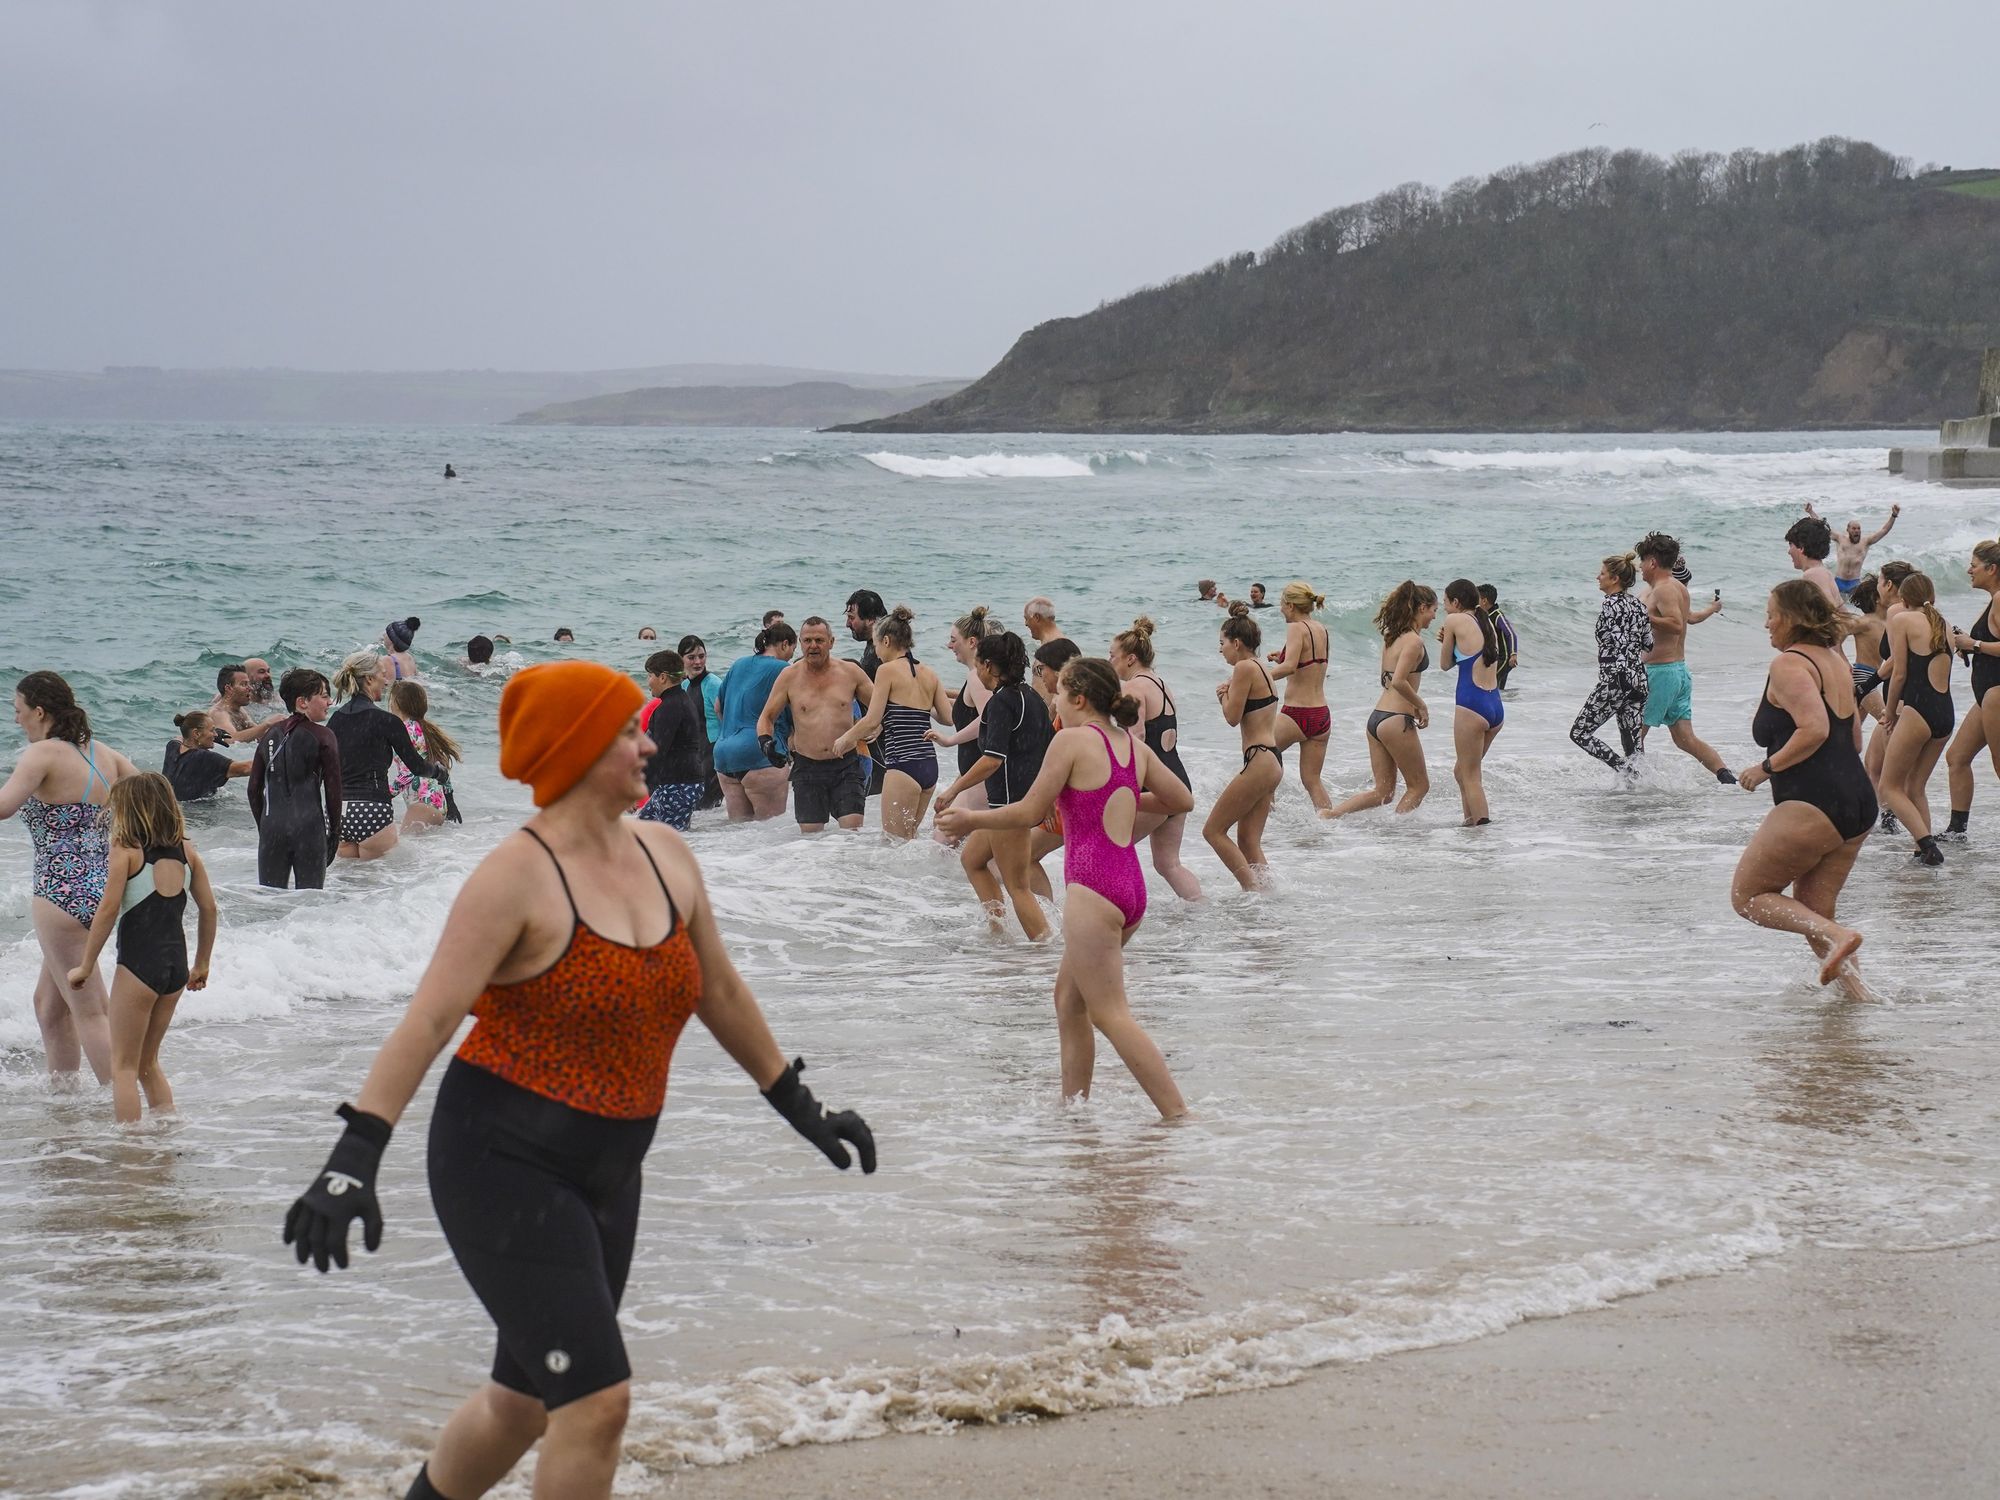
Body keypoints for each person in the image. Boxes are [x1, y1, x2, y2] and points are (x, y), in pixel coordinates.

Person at [280, 661, 874, 1500]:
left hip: (609, 1169)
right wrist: (354, 1155)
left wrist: (803, 1108)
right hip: (501, 1159)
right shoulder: (514, 877)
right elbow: (427, 1021)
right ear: (577, 748)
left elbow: (721, 992)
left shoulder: (667, 854)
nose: (647, 740)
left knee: (523, 1405)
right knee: (597, 1405)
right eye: (626, 730)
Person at [938, 658, 1191, 1118]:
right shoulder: (1134, 748)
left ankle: (1178, 1115)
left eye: (1057, 693)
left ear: (1078, 699)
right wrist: (1122, 797)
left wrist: (969, 817)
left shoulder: (1071, 740)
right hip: (1130, 887)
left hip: (1093, 889)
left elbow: (1029, 811)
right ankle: (1073, 1110)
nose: (1052, 699)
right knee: (1069, 1002)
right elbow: (1182, 800)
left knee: (1110, 1014)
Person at [1732, 580, 1876, 997]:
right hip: (1857, 799)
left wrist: (1765, 768)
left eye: (1771, 614)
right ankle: (1861, 997)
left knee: (1749, 897)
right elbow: (1853, 738)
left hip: (1814, 801)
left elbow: (1815, 728)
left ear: (1792, 619)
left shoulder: (1790, 665)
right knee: (1813, 909)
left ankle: (1839, 935)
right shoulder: (1834, 660)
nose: (1766, 624)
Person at [2, 672, 139, 1083]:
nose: (16, 721)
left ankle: (127, 1104)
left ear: (39, 711)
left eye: (18, 711)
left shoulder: (41, 753)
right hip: (101, 890)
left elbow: (4, 806)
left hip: (58, 893)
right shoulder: (105, 755)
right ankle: (66, 1102)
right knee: (48, 1004)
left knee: (91, 1011)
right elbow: (155, 795)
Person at [67, 773, 216, 1123]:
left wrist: (86, 965)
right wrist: (202, 963)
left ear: (130, 810)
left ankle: (131, 1151)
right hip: (175, 969)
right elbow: (209, 909)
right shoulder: (187, 852)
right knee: (148, 1064)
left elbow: (107, 909)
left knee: (123, 1067)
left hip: (138, 967)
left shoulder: (127, 851)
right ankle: (166, 1133)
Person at [935, 631, 1052, 938]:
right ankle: (997, 930)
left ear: (988, 665)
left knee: (1017, 886)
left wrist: (953, 790)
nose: (978, 674)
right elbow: (1049, 751)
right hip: (1024, 801)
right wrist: (1048, 798)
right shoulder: (1032, 697)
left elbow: (992, 759)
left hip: (1009, 806)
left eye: (979, 667)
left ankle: (1043, 950)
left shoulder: (1001, 703)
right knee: (972, 860)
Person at [834, 607, 952, 839]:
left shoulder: (886, 671)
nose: (876, 651)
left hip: (903, 765)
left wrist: (845, 738)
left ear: (886, 640)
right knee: (910, 839)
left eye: (876, 644)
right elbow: (948, 718)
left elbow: (872, 720)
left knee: (893, 842)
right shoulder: (930, 673)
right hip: (928, 765)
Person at [1109, 616, 1203, 900]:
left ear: (1131, 658)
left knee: (1113, 850)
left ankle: (1120, 912)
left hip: (1153, 785)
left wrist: (1122, 785)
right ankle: (1203, 911)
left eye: (1112, 656)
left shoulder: (1133, 688)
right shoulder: (1161, 684)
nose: (1109, 661)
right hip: (1177, 778)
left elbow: (1136, 740)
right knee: (1168, 864)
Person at [1325, 582, 1434, 819]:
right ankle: (1397, 835)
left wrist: (1411, 703)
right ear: (1423, 607)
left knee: (1383, 792)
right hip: (1395, 721)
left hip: (1377, 718)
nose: (1435, 617)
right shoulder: (1414, 641)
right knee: (1419, 786)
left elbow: (1386, 679)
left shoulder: (1391, 637)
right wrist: (1421, 704)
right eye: (1434, 610)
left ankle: (1330, 816)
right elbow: (1399, 681)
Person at [758, 619, 874, 833]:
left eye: (819, 640)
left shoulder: (850, 673)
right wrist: (765, 742)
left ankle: (851, 868)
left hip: (846, 765)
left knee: (852, 833)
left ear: (831, 642)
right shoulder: (788, 676)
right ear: (800, 643)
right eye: (808, 640)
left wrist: (873, 727)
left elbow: (879, 706)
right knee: (811, 841)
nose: (813, 645)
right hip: (807, 767)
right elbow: (767, 717)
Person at [1634, 532, 1732, 783]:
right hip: (1676, 672)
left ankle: (1631, 791)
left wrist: (1640, 617)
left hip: (1660, 673)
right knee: (1684, 739)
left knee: (1634, 734)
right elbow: (1686, 618)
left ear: (1653, 562)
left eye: (1642, 561)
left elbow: (1676, 624)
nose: (1640, 567)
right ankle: (1726, 778)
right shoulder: (1672, 588)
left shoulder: (1665, 589)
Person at [329, 651, 439, 861]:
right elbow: (417, 767)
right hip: (372, 809)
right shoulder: (385, 720)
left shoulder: (335, 719)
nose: (387, 681)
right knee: (381, 885)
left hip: (338, 811)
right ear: (369, 679)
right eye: (382, 674)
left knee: (350, 882)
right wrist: (438, 772)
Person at [1878, 571, 1955, 864]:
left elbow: (1898, 673)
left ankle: (1929, 847)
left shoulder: (1902, 620)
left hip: (1918, 710)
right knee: (1914, 787)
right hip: (1945, 713)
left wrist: (1889, 710)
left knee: (1890, 786)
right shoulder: (1943, 624)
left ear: (1903, 598)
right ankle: (1920, 850)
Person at [1204, 602, 1282, 888]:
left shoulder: (1244, 668)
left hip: (1260, 759)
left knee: (1213, 831)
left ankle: (1251, 891)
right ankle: (1269, 893)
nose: (1220, 649)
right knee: (1249, 841)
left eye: (1222, 643)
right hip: (1270, 758)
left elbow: (1232, 718)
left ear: (1237, 643)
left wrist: (1222, 696)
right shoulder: (1261, 666)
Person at [249, 668, 343, 890]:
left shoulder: (269, 735)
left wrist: (266, 827)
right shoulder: (324, 736)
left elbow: (253, 790)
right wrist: (335, 833)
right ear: (302, 702)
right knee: (310, 905)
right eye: (323, 695)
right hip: (309, 829)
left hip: (272, 828)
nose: (329, 702)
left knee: (270, 902)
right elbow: (334, 790)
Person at [1569, 553, 1652, 778]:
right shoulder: (1638, 605)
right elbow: (1649, 644)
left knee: (1579, 733)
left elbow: (1616, 641)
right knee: (1633, 747)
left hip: (1616, 679)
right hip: (1639, 680)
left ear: (1614, 579)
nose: (1598, 577)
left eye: (1602, 574)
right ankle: (1644, 791)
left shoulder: (1609, 606)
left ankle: (1626, 771)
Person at [1944, 538, 2000, 837]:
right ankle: (1957, 830)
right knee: (1957, 757)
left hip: (1997, 694)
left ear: (1991, 569)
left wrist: (1974, 644)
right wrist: (1970, 644)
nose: (1969, 570)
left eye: (1974, 565)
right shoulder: (1993, 599)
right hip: (1986, 695)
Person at [711, 625, 794, 822]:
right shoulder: (784, 669)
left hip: (724, 755)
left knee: (742, 835)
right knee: (771, 832)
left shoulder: (739, 664)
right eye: (793, 649)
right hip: (760, 754)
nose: (792, 655)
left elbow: (717, 707)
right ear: (784, 644)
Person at [927, 605, 995, 847]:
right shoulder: (979, 674)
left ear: (972, 642)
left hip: (982, 775)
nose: (949, 645)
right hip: (977, 773)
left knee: (942, 840)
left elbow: (988, 716)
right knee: (962, 843)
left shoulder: (976, 676)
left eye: (953, 640)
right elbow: (969, 713)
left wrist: (949, 740)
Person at [1439, 579, 1504, 825]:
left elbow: (1445, 665)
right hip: (1495, 706)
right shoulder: (1484, 620)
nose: (1443, 608)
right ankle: (1470, 825)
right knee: (1462, 772)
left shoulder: (1454, 620)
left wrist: (1446, 641)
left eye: (1445, 602)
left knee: (1471, 775)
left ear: (1456, 602)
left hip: (1471, 704)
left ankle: (1483, 832)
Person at [1267, 580, 1333, 814]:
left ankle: (1268, 821)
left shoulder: (1295, 628)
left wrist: (1258, 676)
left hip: (1297, 712)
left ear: (1291, 605)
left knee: (1261, 759)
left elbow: (1290, 668)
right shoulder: (1321, 628)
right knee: (1312, 781)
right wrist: (1282, 657)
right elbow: (1311, 662)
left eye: (1282, 604)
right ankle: (1330, 825)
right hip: (1321, 715)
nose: (1281, 609)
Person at [637, 650, 705, 831]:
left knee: (669, 841)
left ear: (663, 678)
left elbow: (656, 751)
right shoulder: (679, 700)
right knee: (642, 831)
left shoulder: (671, 706)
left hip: (679, 786)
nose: (648, 681)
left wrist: (637, 787)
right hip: (676, 783)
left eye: (650, 675)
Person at [388, 681, 463, 832]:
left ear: (397, 703)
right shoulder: (423, 728)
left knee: (401, 851)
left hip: (422, 805)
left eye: (391, 699)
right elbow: (440, 769)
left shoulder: (406, 730)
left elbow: (409, 771)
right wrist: (451, 802)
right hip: (435, 804)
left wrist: (385, 794)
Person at [1805, 501, 1900, 595]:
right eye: (1854, 529)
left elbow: (1884, 530)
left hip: (1854, 583)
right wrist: (1811, 512)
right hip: (1839, 581)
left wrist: (1893, 516)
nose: (1857, 531)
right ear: (1848, 530)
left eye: (1858, 529)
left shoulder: (1866, 542)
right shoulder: (1840, 538)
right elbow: (1823, 526)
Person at [678, 634, 725, 810]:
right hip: (696, 754)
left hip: (714, 750)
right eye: (691, 657)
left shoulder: (713, 684)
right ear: (681, 659)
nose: (697, 662)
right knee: (698, 808)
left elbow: (727, 716)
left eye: (701, 656)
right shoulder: (684, 687)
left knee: (705, 806)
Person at [163, 710, 250, 801]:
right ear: (196, 733)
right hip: (196, 812)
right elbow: (245, 768)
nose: (215, 734)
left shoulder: (172, 747)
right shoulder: (204, 757)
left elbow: (180, 738)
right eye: (212, 730)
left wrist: (206, 735)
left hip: (169, 806)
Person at [208, 663, 279, 745]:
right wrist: (267, 724)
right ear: (228, 688)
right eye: (244, 684)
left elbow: (258, 734)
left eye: (248, 684)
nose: (250, 688)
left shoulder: (239, 710)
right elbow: (230, 740)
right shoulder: (219, 713)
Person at [1784, 516, 1840, 606]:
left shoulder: (1813, 574)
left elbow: (1831, 612)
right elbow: (1843, 614)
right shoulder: (1824, 572)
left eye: (1791, 545)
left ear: (1801, 547)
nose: (1789, 551)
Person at [1476, 583, 1520, 691]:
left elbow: (1511, 634)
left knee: (1489, 685)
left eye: (1477, 599)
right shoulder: (1485, 616)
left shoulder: (1497, 615)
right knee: (1498, 689)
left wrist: (1513, 654)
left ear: (1484, 601)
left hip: (1504, 658)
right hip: (1497, 659)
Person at [384, 617, 422, 681]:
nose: (383, 635)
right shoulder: (409, 658)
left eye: (386, 633)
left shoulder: (387, 660)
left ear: (391, 639)